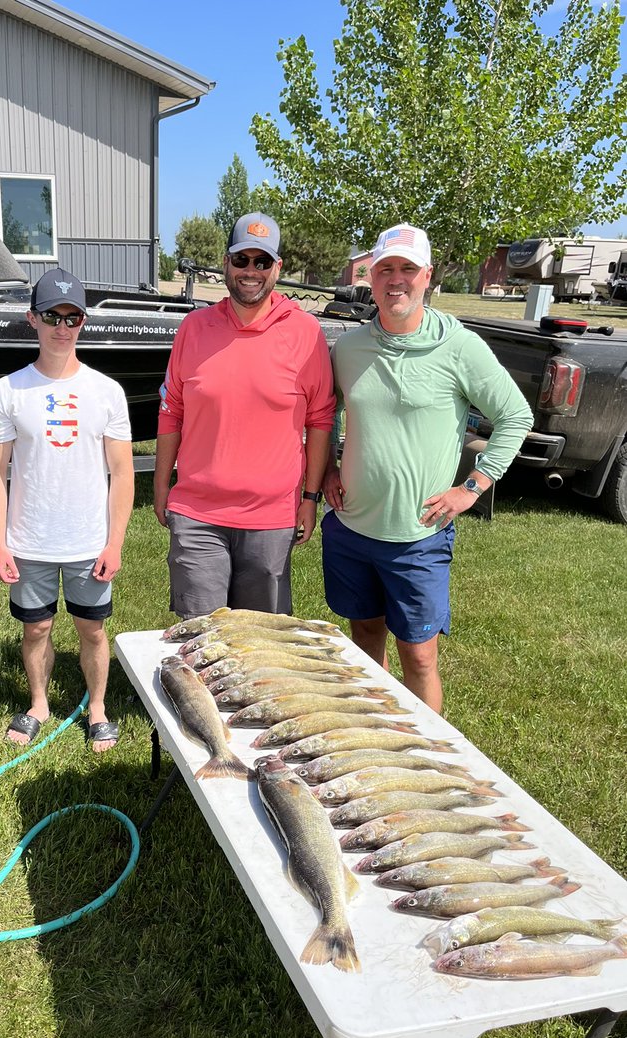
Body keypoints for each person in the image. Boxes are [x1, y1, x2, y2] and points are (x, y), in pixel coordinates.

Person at [322, 223, 533, 713]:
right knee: (364, 636)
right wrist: (332, 464)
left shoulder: (459, 347)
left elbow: (515, 416)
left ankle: (430, 761)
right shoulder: (349, 349)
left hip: (419, 534)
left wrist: (473, 487)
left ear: (428, 276)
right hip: (353, 526)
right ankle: (374, 732)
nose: (396, 280)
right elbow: (326, 410)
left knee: (418, 655)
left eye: (408, 269)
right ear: (370, 278)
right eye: (385, 269)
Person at [154, 211, 335, 618]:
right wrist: (162, 486)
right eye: (242, 260)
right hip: (197, 515)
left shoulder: (305, 333)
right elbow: (171, 411)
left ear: (277, 268)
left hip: (271, 518)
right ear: (225, 264)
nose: (251, 271)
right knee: (201, 638)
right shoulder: (194, 328)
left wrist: (310, 498)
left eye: (262, 262)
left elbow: (320, 419)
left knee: (261, 642)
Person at [0, 268, 134, 752]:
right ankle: (39, 704)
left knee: (92, 628)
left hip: (89, 540)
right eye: (52, 315)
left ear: (83, 322)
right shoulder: (7, 391)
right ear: (33, 318)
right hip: (30, 539)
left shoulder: (107, 391)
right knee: (37, 627)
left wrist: (115, 540)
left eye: (72, 317)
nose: (62, 327)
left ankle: (97, 708)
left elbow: (123, 472)